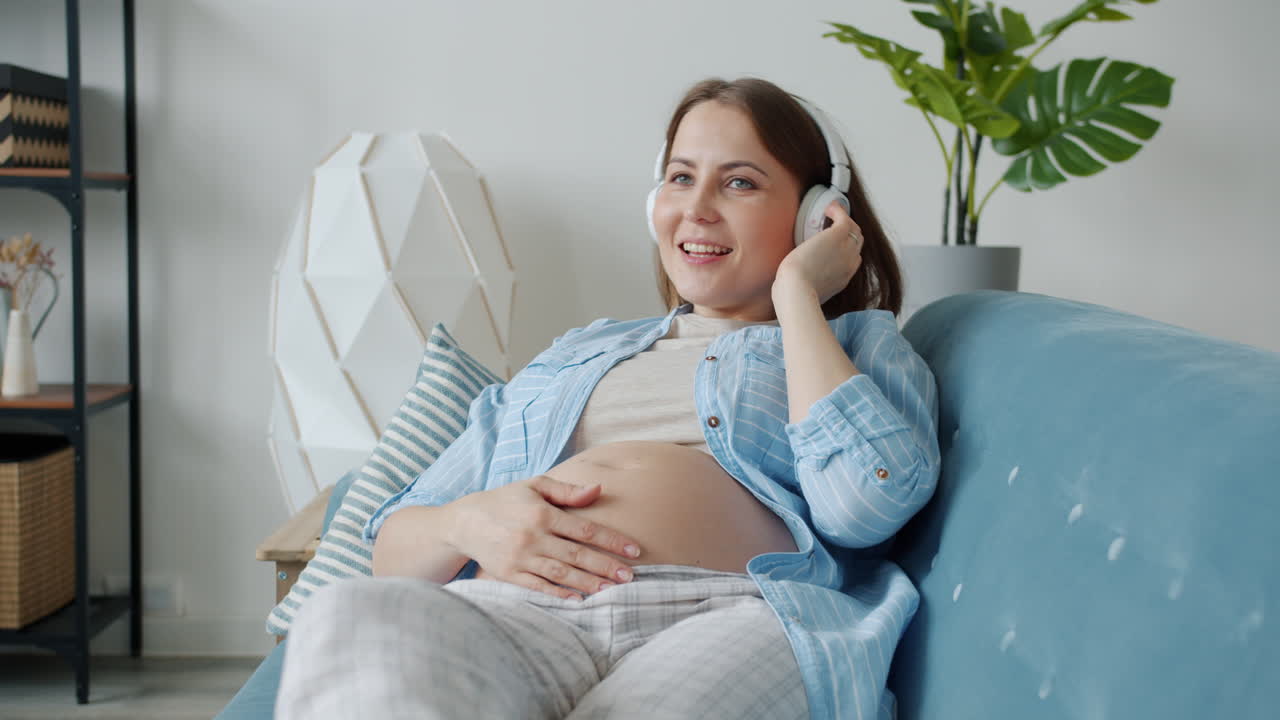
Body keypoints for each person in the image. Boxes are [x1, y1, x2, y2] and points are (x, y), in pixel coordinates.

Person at [277, 76, 940, 720]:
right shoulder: (574, 355)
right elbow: (391, 554)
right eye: (680, 177)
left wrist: (797, 295)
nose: (697, 207)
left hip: (733, 616)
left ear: (815, 215)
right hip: (520, 613)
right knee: (343, 617)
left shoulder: (856, 349)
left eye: (739, 182)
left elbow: (866, 506)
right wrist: (466, 524)